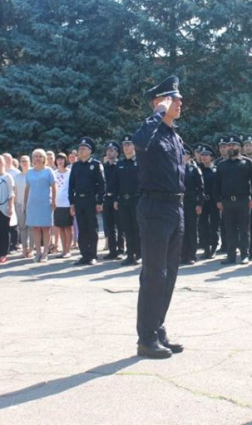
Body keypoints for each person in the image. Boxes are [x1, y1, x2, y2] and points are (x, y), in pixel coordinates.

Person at [133, 75, 185, 359]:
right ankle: (146, 338)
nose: (179, 103)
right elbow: (139, 141)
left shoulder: (174, 135)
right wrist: (157, 114)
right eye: (172, 99)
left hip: (175, 208)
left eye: (178, 99)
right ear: (159, 103)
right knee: (154, 275)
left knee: (169, 275)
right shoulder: (150, 132)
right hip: (154, 209)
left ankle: (158, 328)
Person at [214, 135, 252, 265]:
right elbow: (216, 185)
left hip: (243, 200)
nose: (231, 147)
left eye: (234, 145)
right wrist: (218, 200)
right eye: (229, 145)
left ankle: (245, 255)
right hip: (227, 202)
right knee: (230, 230)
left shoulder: (247, 163)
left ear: (239, 147)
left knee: (244, 229)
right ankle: (231, 256)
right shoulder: (222, 165)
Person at [69, 137, 105, 266]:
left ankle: (93, 255)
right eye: (79, 148)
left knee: (92, 228)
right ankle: (84, 255)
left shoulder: (95, 165)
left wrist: (99, 201)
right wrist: (71, 203)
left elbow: (101, 184)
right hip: (79, 200)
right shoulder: (75, 166)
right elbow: (71, 185)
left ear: (90, 151)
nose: (81, 150)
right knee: (82, 228)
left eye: (83, 148)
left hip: (91, 199)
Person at [25, 149, 56, 262]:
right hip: (33, 203)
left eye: (40, 156)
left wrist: (54, 201)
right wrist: (25, 203)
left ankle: (45, 253)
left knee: (46, 228)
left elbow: (54, 187)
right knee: (36, 228)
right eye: (35, 156)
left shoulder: (48, 171)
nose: (37, 158)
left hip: (45, 203)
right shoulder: (29, 172)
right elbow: (27, 189)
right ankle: (37, 252)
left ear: (44, 158)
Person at [115, 135, 141, 266]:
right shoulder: (119, 164)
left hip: (136, 200)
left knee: (137, 228)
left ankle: (139, 254)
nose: (126, 147)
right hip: (123, 201)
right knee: (127, 228)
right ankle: (130, 254)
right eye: (124, 144)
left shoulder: (140, 162)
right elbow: (115, 184)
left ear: (134, 146)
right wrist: (115, 199)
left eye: (129, 144)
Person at [181, 144, 204, 265]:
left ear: (188, 155)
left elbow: (201, 188)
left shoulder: (194, 169)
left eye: (183, 153)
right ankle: (182, 254)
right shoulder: (177, 168)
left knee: (191, 230)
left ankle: (191, 255)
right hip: (180, 204)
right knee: (181, 230)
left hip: (191, 203)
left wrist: (199, 204)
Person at [102, 141, 125, 259]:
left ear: (117, 153)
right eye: (108, 150)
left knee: (119, 225)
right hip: (107, 198)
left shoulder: (120, 165)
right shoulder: (104, 166)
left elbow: (120, 184)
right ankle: (112, 250)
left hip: (117, 198)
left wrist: (117, 198)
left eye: (112, 150)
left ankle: (121, 250)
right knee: (109, 225)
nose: (109, 152)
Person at [198, 144, 220, 259]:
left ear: (212, 157)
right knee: (203, 225)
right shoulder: (198, 170)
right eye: (202, 155)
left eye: (206, 155)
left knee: (214, 225)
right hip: (202, 201)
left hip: (214, 201)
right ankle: (206, 248)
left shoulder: (216, 170)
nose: (204, 157)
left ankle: (213, 248)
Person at [53, 153, 74, 259]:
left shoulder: (70, 173)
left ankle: (68, 250)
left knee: (68, 228)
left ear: (65, 161)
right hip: (57, 204)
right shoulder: (54, 173)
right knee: (60, 227)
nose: (60, 161)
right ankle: (63, 250)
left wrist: (72, 205)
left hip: (67, 203)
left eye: (62, 159)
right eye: (58, 159)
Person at [14, 155, 34, 259]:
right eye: (22, 161)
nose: (24, 163)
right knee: (22, 227)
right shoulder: (17, 176)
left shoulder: (33, 174)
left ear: (30, 162)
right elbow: (15, 192)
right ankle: (24, 249)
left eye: (26, 161)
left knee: (31, 227)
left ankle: (31, 249)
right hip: (19, 204)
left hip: (31, 204)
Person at [3, 153, 21, 253]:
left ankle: (15, 244)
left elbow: (17, 188)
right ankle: (7, 244)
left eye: (5, 159)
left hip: (14, 201)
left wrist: (14, 201)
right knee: (6, 224)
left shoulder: (16, 172)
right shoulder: (1, 172)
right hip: (2, 201)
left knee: (14, 225)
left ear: (10, 160)